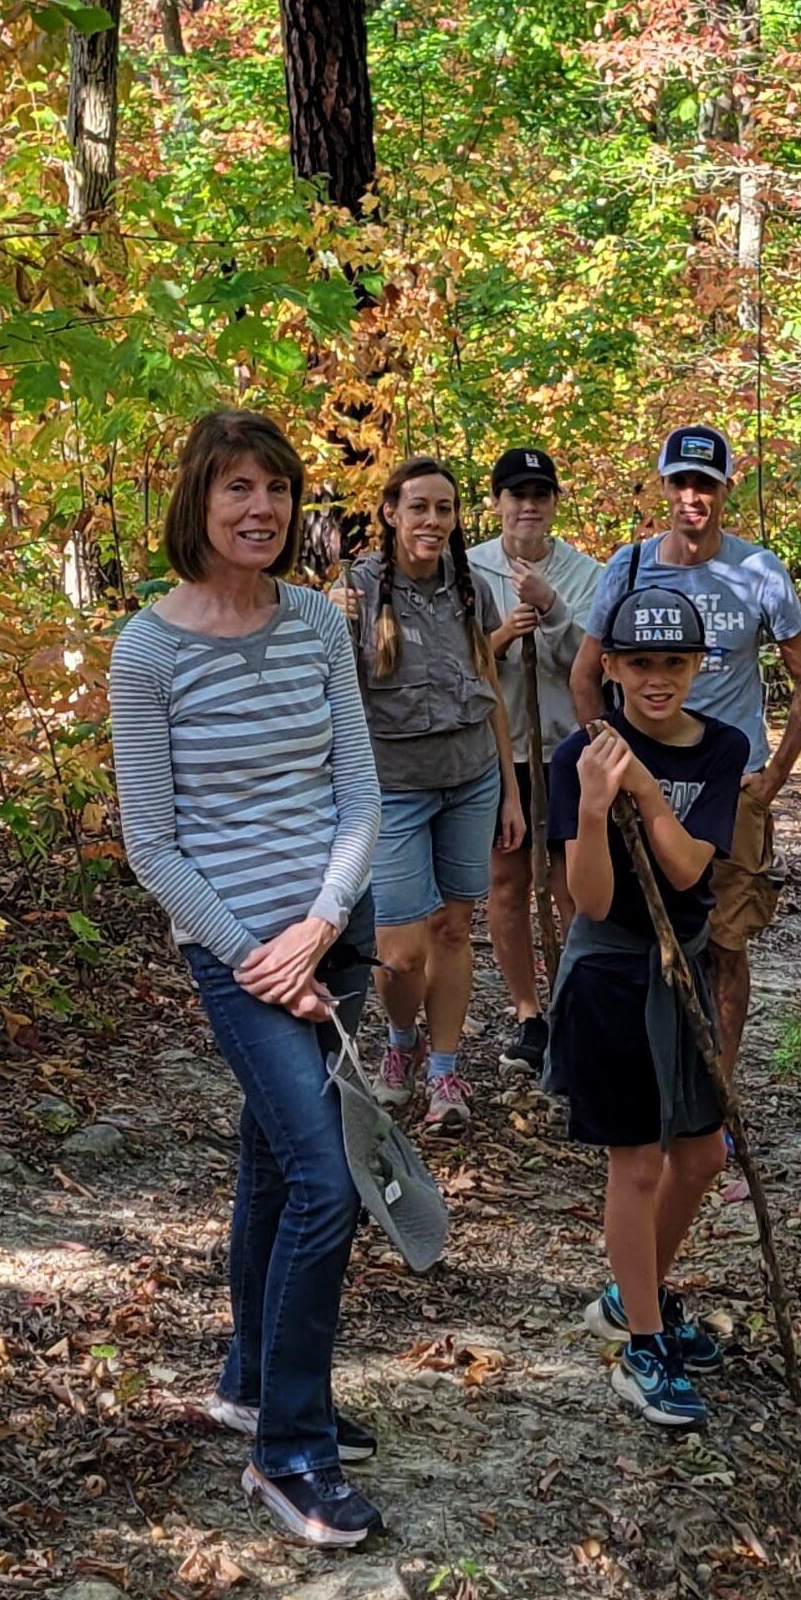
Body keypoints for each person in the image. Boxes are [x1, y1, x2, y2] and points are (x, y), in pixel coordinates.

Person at [107, 409, 385, 1554]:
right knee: (327, 1182)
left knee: (277, 1162)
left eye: (276, 488)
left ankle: (252, 1383)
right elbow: (151, 845)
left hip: (331, 933)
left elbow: (361, 798)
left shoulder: (321, 622)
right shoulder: (149, 651)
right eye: (237, 489)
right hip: (233, 955)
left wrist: (321, 925)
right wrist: (254, 955)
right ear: (197, 503)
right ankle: (291, 1454)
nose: (260, 509)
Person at [544, 583, 749, 1434]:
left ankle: (632, 1300)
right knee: (634, 1165)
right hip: (611, 975)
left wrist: (652, 799)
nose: (657, 679)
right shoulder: (576, 757)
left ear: (699, 666)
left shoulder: (722, 748)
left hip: (684, 969)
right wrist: (594, 809)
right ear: (612, 666)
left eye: (675, 662)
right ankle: (644, 1344)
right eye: (639, 663)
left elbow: (691, 871)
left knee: (700, 1155)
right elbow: (589, 901)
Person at [574, 425, 801, 1072]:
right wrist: (608, 760)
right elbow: (585, 673)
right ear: (664, 486)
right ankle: (645, 1078)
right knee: (634, 931)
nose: (693, 496)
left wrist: (771, 778)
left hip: (729, 786)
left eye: (706, 485)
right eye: (682, 482)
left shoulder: (758, 572)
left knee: (725, 943)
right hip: (641, 783)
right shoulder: (628, 568)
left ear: (725, 491)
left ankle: (719, 1090)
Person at [349, 455, 526, 1131]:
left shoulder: (470, 589)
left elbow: (491, 694)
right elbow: (336, 703)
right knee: (398, 951)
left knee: (454, 928)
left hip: (471, 780)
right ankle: (401, 1045)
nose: (432, 520)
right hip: (392, 791)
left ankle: (446, 1071)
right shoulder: (356, 593)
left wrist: (511, 791)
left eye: (444, 509)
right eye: (418, 507)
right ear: (392, 512)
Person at [468, 443, 602, 1079]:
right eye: (516, 494)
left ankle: (576, 1005)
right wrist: (499, 637)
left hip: (564, 750)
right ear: (496, 502)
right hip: (501, 752)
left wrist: (553, 611)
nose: (528, 506)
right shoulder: (464, 571)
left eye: (539, 495)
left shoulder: (586, 574)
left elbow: (594, 664)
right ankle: (529, 1013)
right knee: (507, 881)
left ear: (554, 504)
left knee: (570, 883)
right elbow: (454, 667)